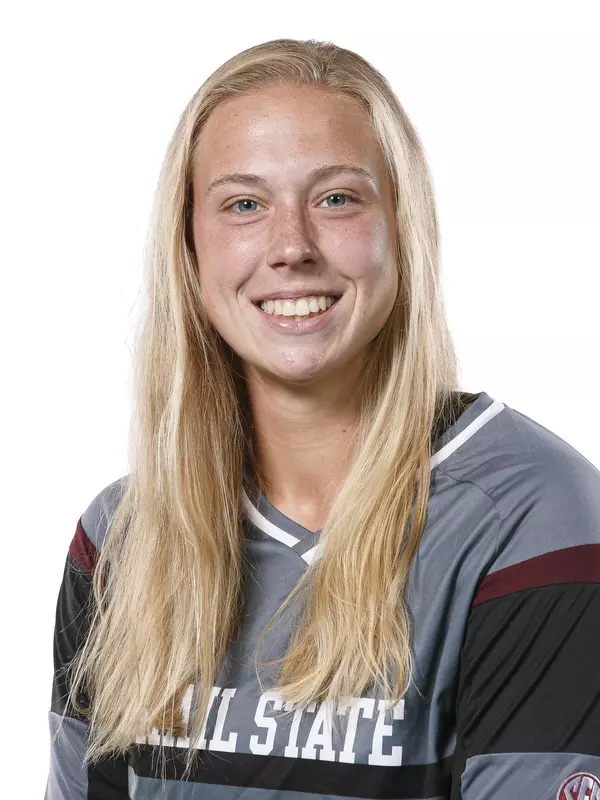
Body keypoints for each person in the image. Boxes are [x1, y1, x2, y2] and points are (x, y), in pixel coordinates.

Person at [44, 38, 600, 800]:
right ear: (189, 248)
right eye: (244, 205)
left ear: (402, 227)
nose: (292, 247)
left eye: (336, 198)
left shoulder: (533, 522)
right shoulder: (121, 542)